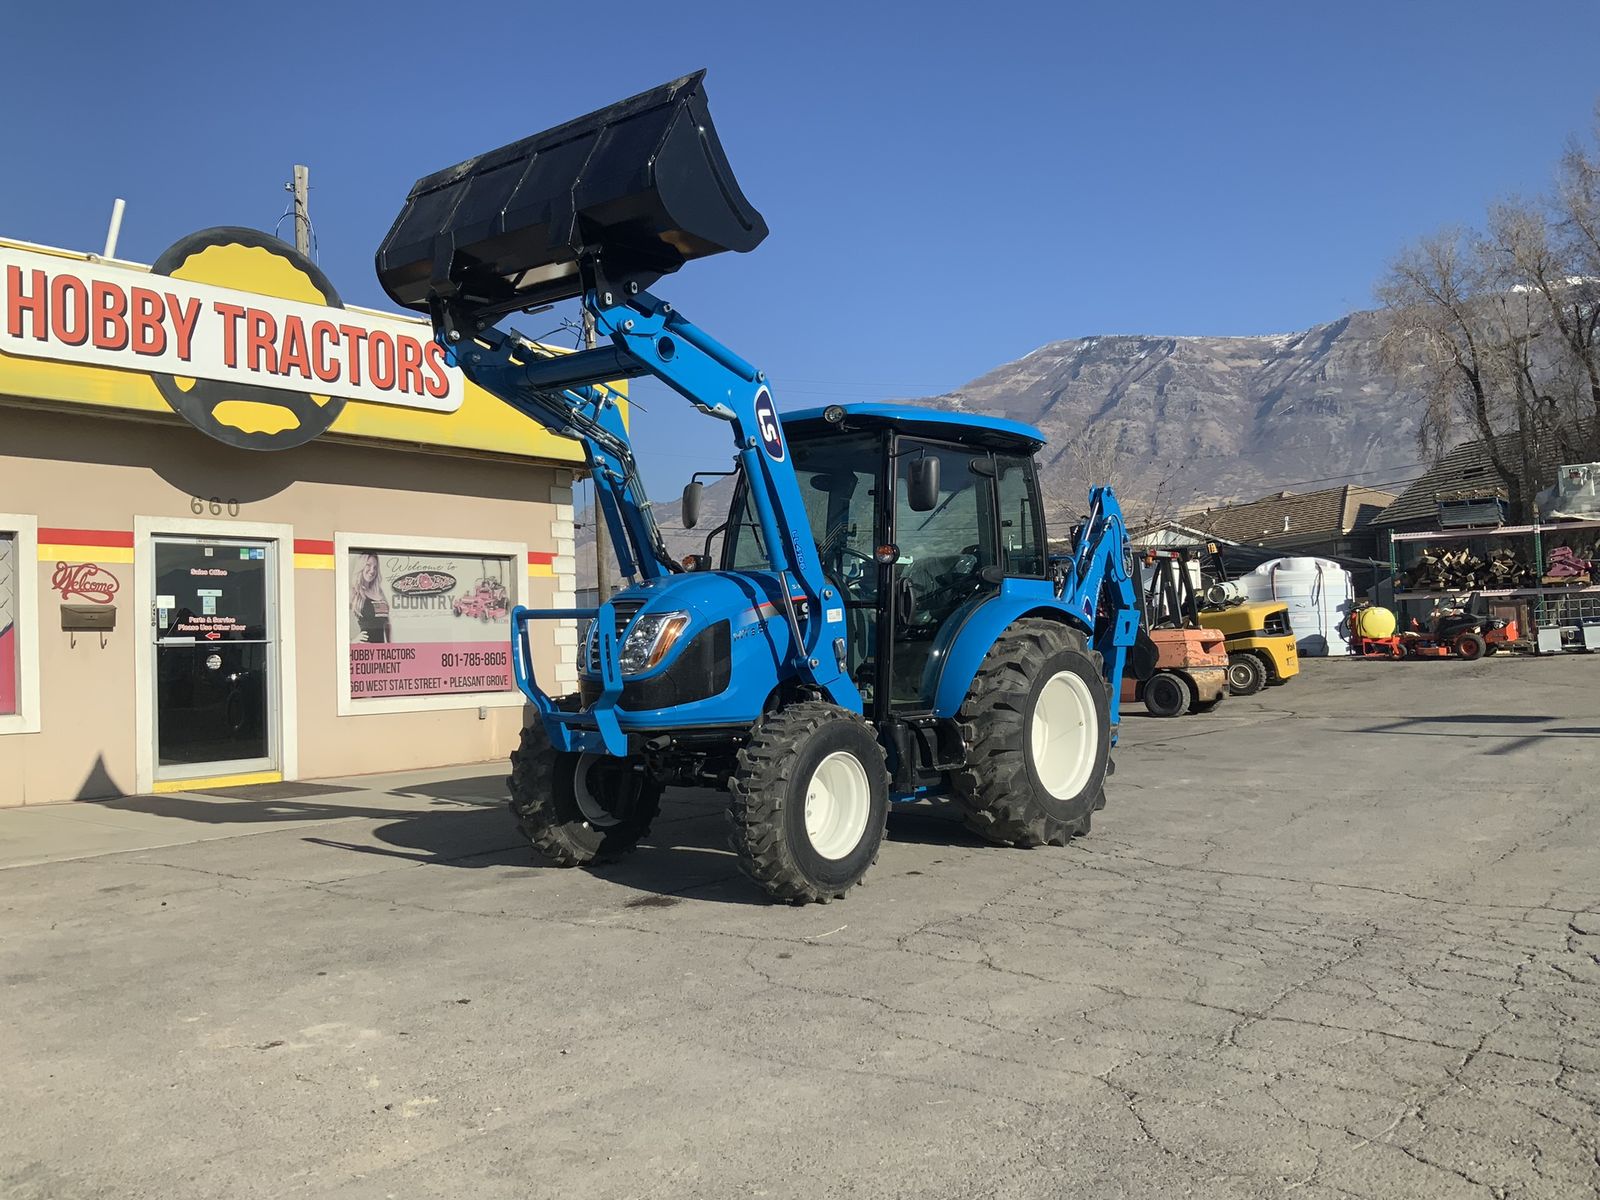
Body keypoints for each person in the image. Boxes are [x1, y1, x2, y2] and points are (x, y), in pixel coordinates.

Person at [350, 552, 391, 644]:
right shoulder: (353, 592)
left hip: (381, 648)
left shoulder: (379, 592)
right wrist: (352, 641)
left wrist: (389, 645)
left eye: (375, 567)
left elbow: (386, 622)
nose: (372, 570)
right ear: (361, 566)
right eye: (368, 565)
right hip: (364, 648)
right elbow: (337, 620)